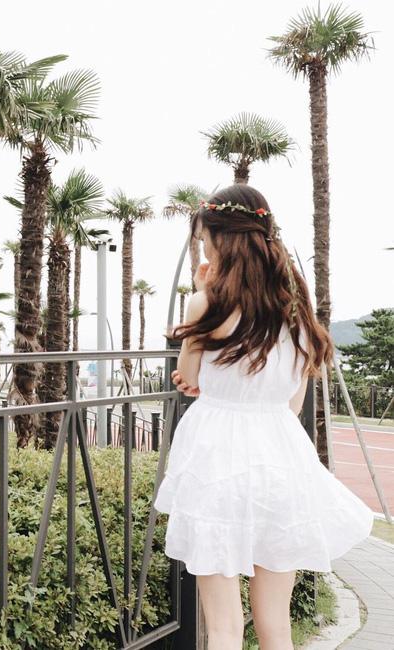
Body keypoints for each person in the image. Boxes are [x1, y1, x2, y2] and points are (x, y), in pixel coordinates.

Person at [154, 184, 374, 650]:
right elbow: (294, 402)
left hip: (216, 461)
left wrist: (201, 301)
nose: (204, 249)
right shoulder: (295, 307)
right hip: (280, 458)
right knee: (276, 627)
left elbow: (188, 377)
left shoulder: (206, 303)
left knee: (224, 630)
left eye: (204, 239)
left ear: (221, 239)